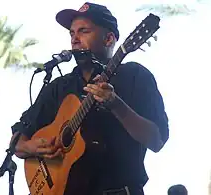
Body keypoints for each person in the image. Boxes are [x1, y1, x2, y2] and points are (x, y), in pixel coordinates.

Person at [10, 2, 169, 195]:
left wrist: (116, 105)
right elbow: (17, 142)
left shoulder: (135, 76)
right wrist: (29, 146)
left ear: (109, 39)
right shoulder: (59, 87)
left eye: (83, 31)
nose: (75, 39)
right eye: (71, 33)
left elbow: (156, 140)